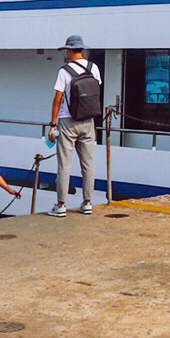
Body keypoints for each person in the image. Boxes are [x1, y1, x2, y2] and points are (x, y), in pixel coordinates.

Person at [45, 34, 102, 217]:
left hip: (68, 121)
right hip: (88, 121)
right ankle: (87, 202)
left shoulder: (64, 71)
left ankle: (61, 205)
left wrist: (53, 124)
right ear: (82, 49)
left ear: (69, 50)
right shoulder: (94, 68)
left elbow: (58, 99)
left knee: (64, 164)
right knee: (88, 163)